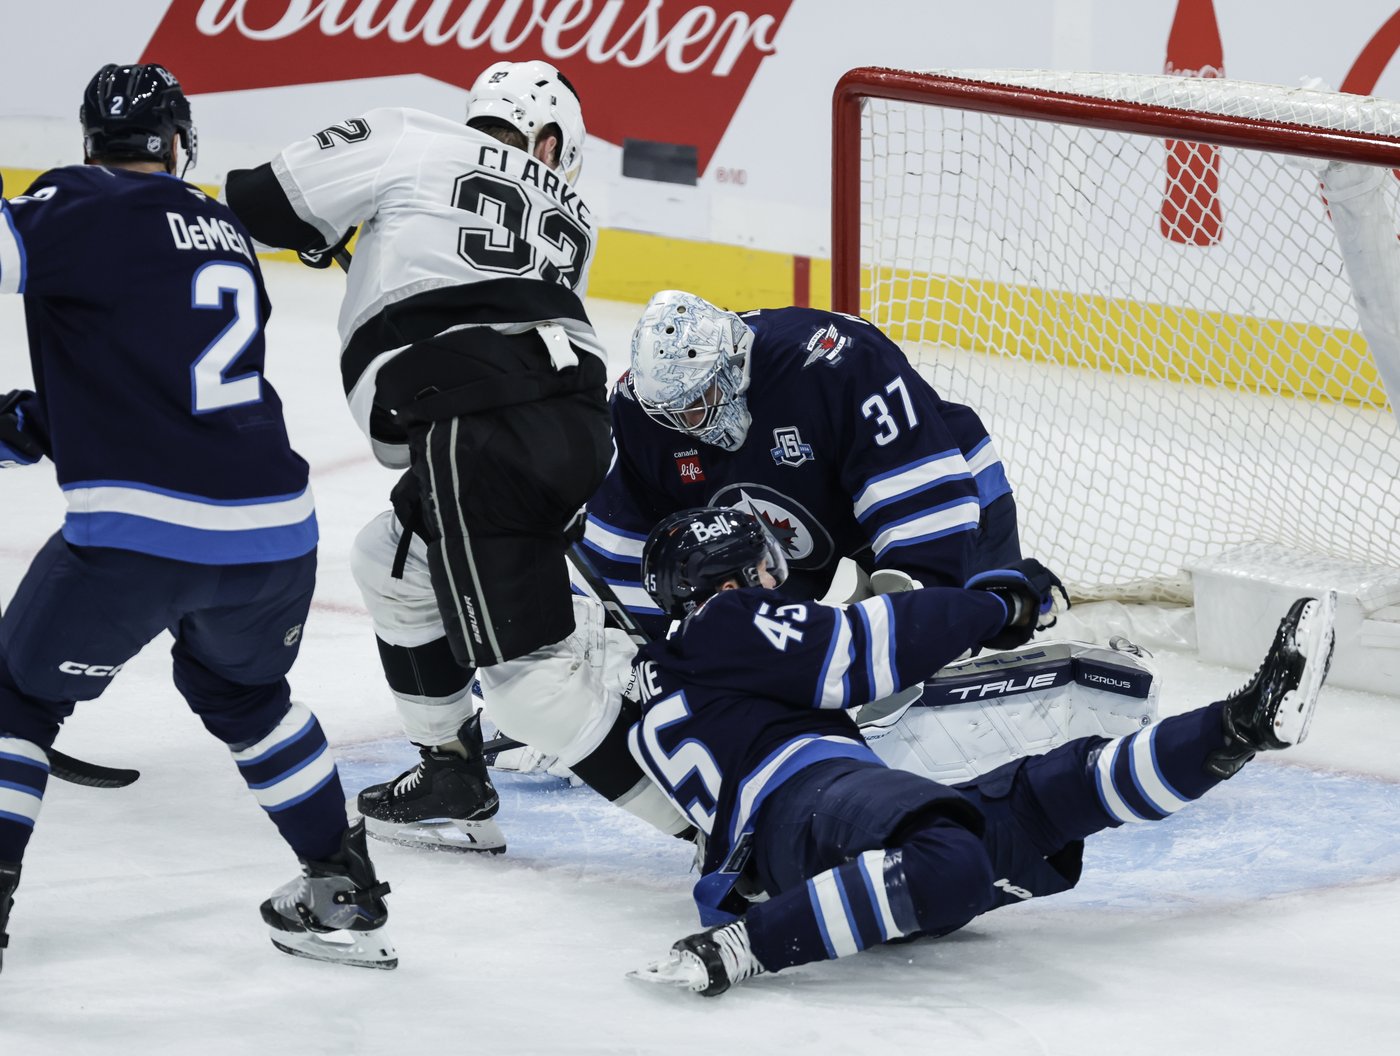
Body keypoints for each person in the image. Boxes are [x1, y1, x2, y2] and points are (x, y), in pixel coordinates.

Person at [223, 60, 689, 853]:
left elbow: (259, 197)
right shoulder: (572, 206)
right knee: (392, 561)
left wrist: (321, 227)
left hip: (481, 421)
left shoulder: (413, 134)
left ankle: (726, 832)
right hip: (562, 415)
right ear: (547, 141)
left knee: (528, 683)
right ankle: (450, 773)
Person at [0, 63, 392, 972]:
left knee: (16, 697)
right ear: (176, 144)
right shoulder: (222, 228)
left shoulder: (73, 204)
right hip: (274, 534)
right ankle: (340, 885)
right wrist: (38, 421)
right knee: (244, 697)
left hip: (139, 538)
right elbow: (158, 371)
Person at [624, 507, 1335, 996]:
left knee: (1058, 792)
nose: (778, 588)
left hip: (800, 838)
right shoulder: (722, 622)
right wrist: (999, 609)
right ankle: (744, 948)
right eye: (765, 574)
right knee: (951, 857)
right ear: (727, 582)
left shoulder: (673, 676)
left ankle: (1243, 725)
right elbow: (861, 648)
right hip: (803, 806)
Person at [580, 291, 1022, 640]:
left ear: (731, 367)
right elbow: (625, 540)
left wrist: (916, 621)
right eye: (671, 411)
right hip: (798, 552)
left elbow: (920, 490)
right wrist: (635, 645)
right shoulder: (641, 412)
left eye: (697, 402)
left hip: (949, 498)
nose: (685, 423)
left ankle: (1017, 604)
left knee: (980, 628)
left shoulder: (837, 362)